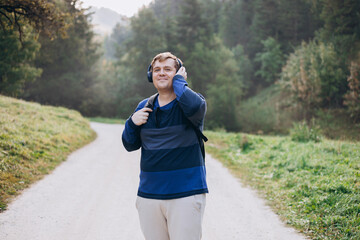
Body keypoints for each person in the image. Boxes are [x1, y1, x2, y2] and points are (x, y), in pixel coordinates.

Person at [122, 52, 208, 240]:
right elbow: (129, 144)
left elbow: (195, 107)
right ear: (150, 75)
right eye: (157, 70)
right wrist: (132, 123)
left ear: (179, 74)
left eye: (168, 70)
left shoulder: (191, 103)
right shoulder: (144, 106)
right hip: (149, 196)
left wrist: (179, 82)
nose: (161, 73)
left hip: (186, 194)